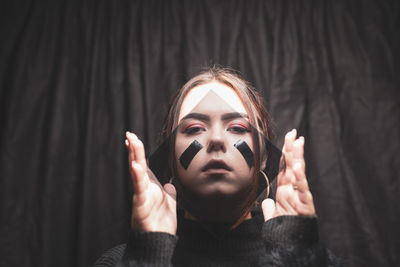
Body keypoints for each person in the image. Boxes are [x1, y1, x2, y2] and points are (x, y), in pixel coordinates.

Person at [94, 67, 342, 267]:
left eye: (237, 129)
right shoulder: (119, 262)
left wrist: (296, 259)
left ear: (263, 157)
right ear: (171, 157)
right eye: (193, 130)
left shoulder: (314, 261)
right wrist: (149, 257)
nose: (216, 139)